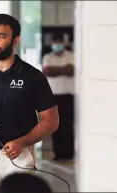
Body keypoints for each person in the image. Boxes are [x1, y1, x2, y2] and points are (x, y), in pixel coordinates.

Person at [0, 13, 59, 192]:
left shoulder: (33, 77)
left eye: (1, 36)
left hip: (20, 155)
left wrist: (22, 141)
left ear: (15, 41)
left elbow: (51, 120)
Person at [42, 33, 75, 161]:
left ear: (64, 44)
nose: (57, 46)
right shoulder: (47, 57)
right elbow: (46, 71)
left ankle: (69, 153)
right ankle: (58, 153)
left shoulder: (71, 56)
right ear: (51, 45)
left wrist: (55, 70)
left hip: (68, 95)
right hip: (52, 96)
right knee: (55, 125)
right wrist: (64, 70)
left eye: (59, 43)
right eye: (55, 43)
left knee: (68, 125)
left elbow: (71, 69)